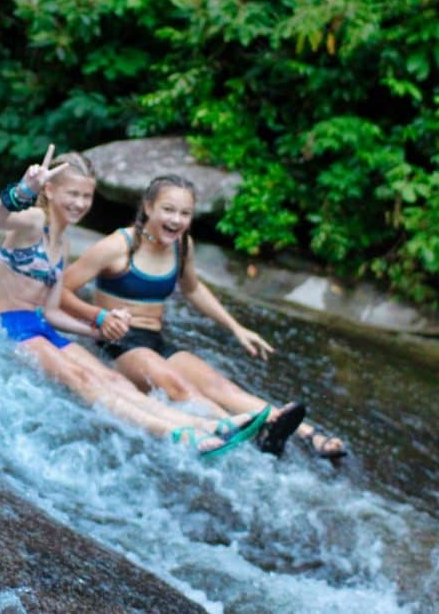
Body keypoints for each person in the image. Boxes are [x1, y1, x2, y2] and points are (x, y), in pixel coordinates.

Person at [0, 147, 270, 458]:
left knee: (112, 378)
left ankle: (207, 425)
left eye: (86, 196)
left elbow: (51, 311)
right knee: (82, 377)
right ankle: (178, 435)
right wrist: (25, 188)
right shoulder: (34, 221)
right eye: (73, 194)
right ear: (50, 190)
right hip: (7, 324)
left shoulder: (63, 242)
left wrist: (99, 329)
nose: (80, 203)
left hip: (39, 324)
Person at [61, 174, 346, 459]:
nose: (177, 220)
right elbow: (61, 290)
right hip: (119, 342)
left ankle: (309, 435)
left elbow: (193, 289)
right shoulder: (117, 246)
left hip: (155, 339)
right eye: (169, 210)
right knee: (180, 388)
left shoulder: (182, 245)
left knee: (220, 386)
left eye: (185, 213)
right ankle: (247, 433)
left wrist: (236, 328)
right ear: (148, 208)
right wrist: (99, 318)